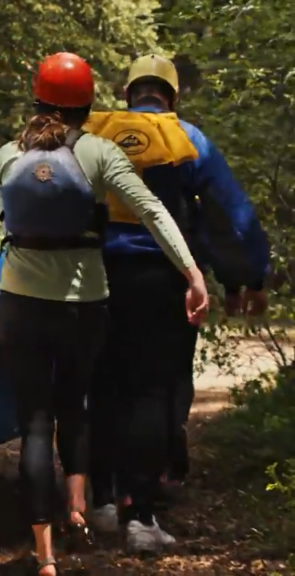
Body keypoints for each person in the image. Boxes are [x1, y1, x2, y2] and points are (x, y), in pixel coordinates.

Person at [0, 52, 208, 573]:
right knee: (75, 407)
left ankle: (44, 556)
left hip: (19, 304)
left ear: (38, 98)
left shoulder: (6, 154)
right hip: (83, 307)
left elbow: (6, 218)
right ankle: (81, 509)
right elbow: (152, 210)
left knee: (35, 423)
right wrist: (192, 272)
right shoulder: (99, 151)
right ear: (89, 103)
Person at [84, 54, 270, 550]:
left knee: (102, 389)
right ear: (172, 96)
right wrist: (249, 275)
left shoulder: (93, 132)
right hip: (161, 282)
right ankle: (141, 518)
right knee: (152, 391)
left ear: (128, 94)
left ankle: (101, 500)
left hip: (92, 279)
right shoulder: (188, 139)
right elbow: (230, 218)